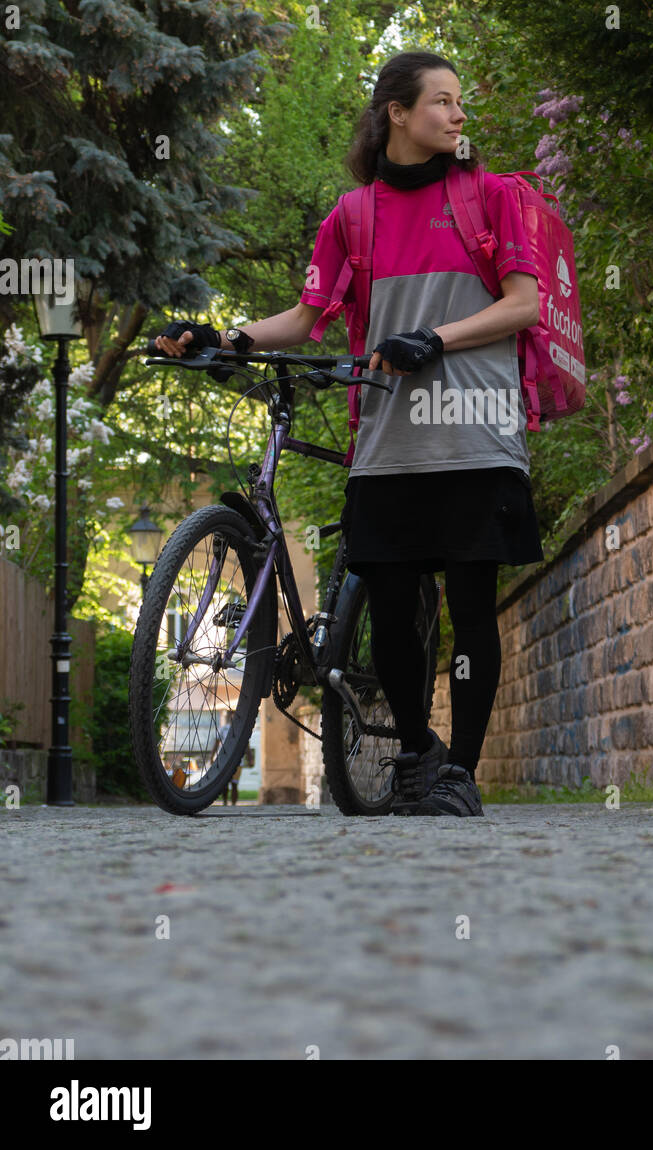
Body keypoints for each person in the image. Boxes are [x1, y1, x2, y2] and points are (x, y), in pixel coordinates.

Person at [153, 49, 544, 817]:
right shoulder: (353, 215)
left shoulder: (492, 199)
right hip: (389, 443)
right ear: (396, 113)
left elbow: (523, 305)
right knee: (392, 608)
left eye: (460, 101)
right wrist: (227, 338)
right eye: (441, 101)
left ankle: (459, 772)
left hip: (477, 434)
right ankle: (415, 757)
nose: (458, 114)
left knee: (470, 605)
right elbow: (306, 318)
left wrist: (435, 337)